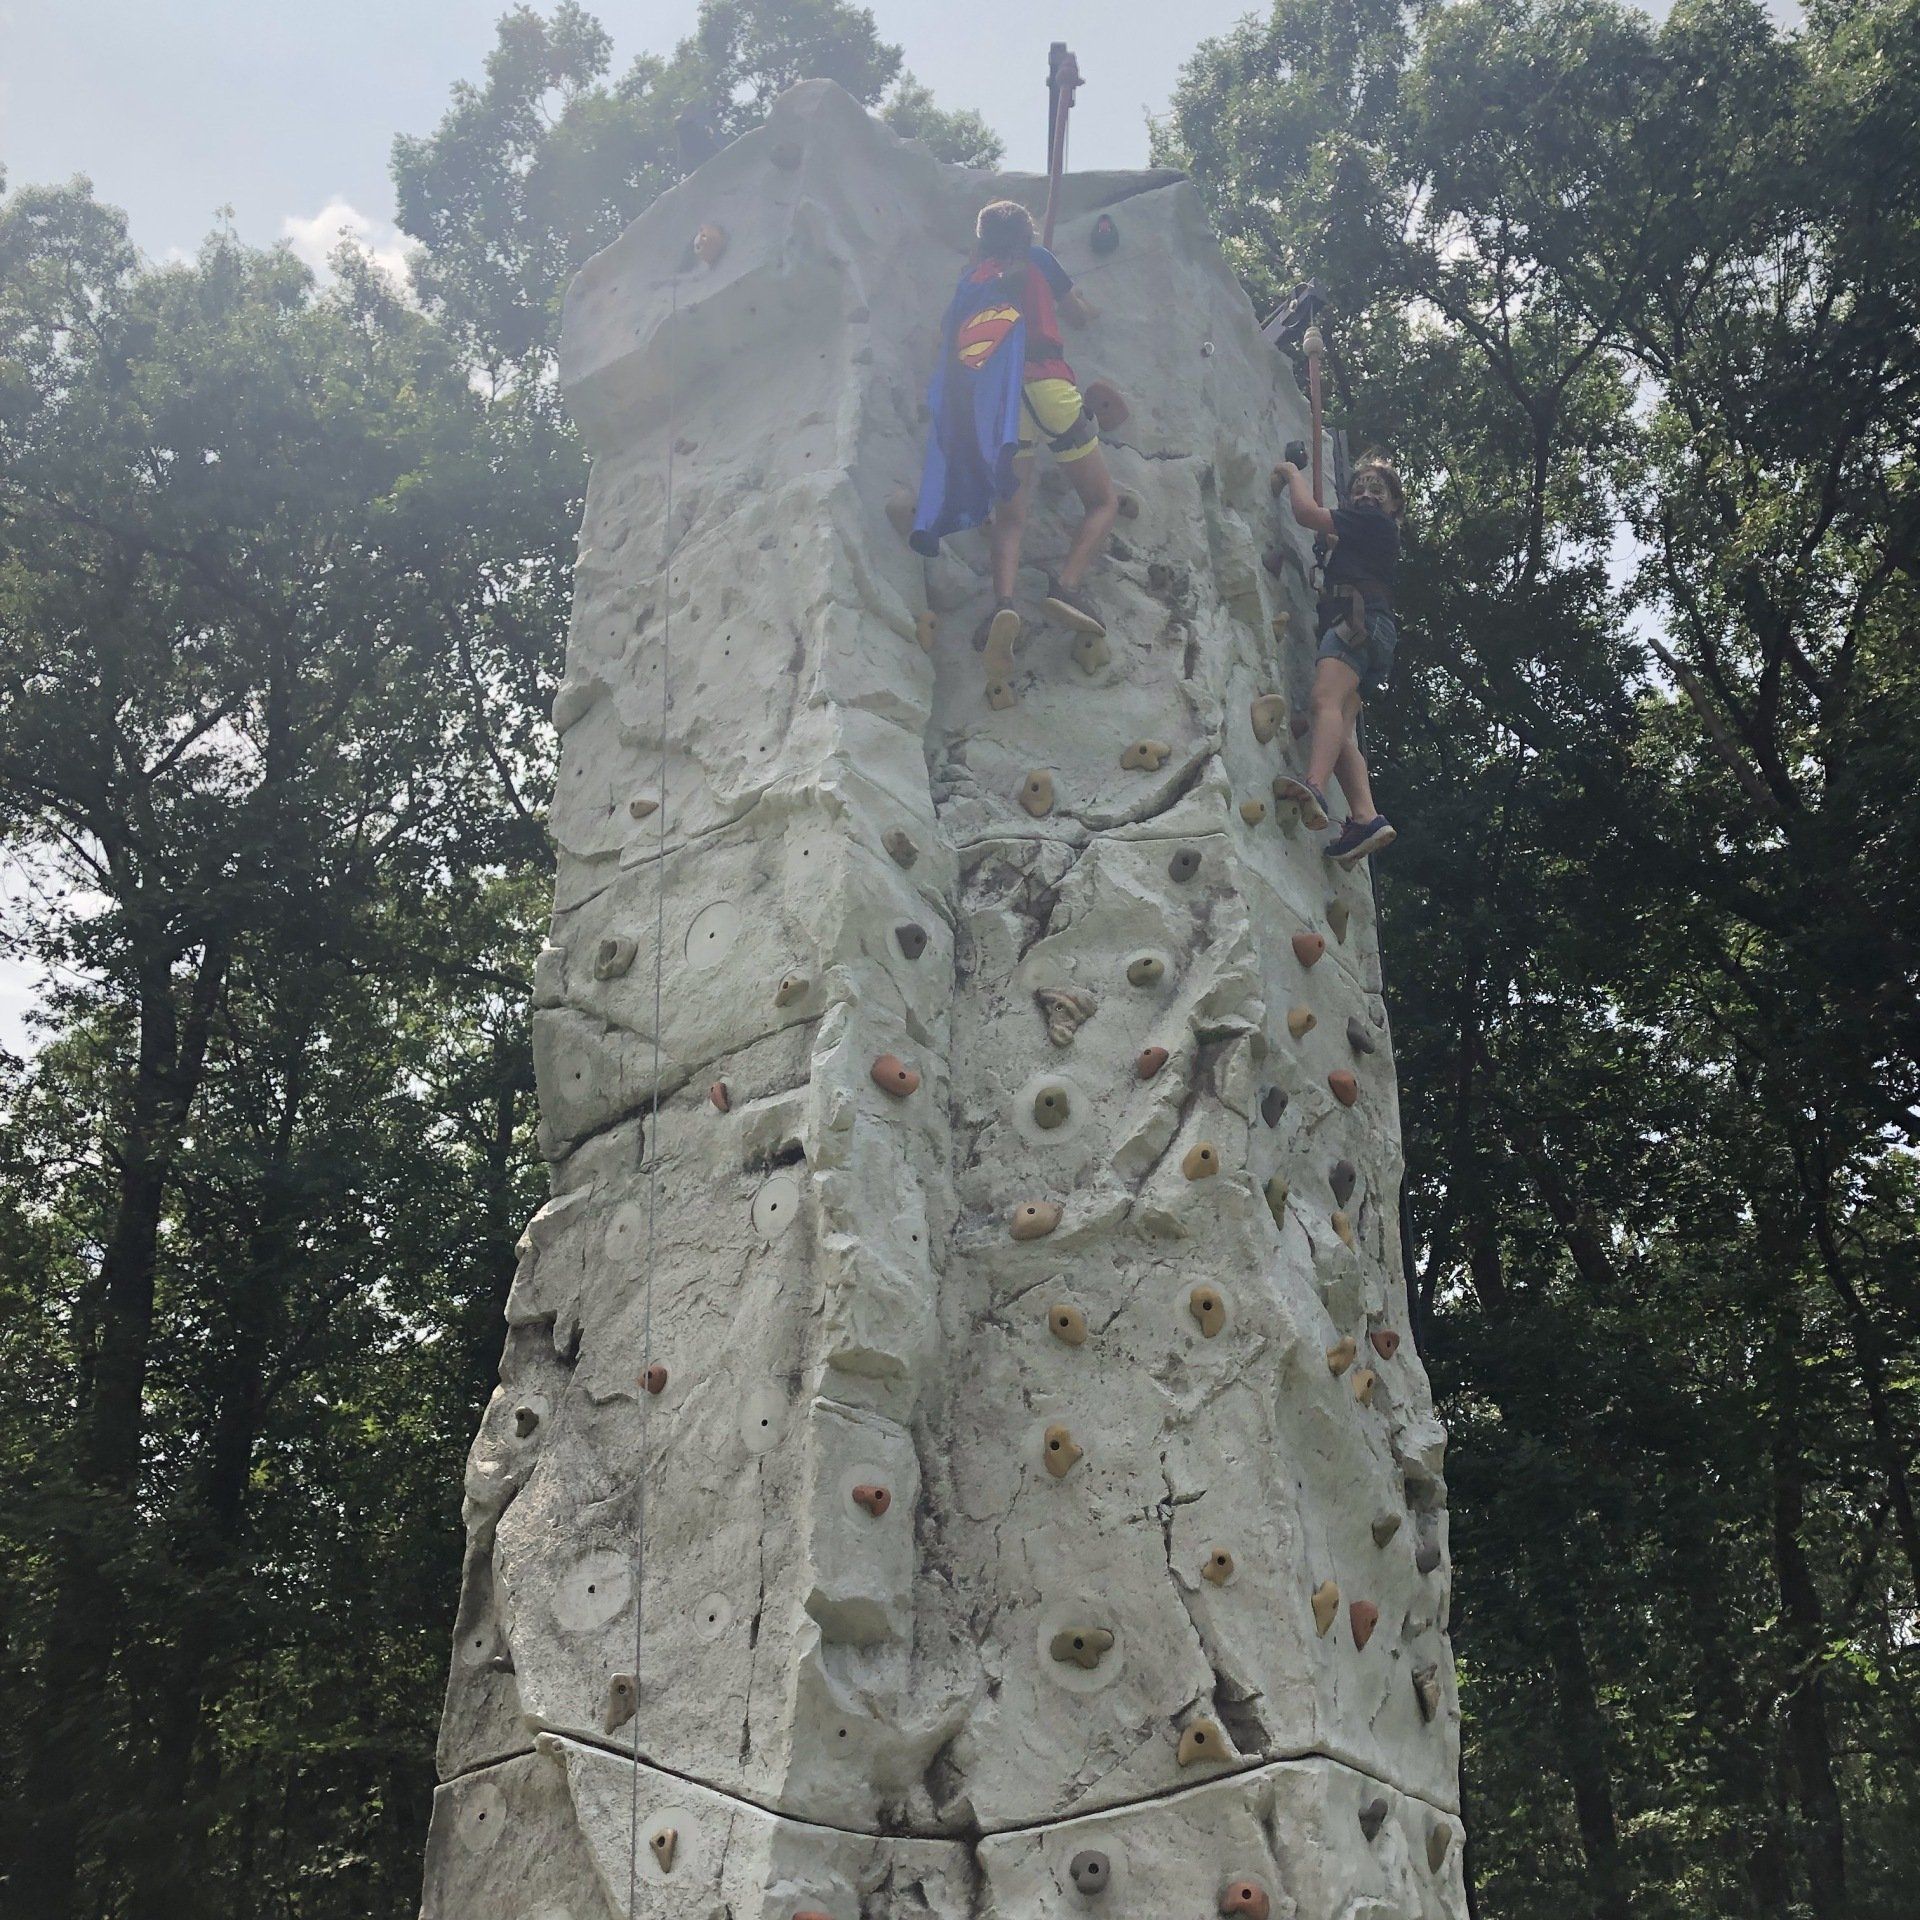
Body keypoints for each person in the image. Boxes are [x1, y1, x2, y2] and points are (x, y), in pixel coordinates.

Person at [909, 199, 1119, 701]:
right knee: (1102, 501)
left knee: (1011, 515)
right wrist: (1092, 305)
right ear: (1025, 233)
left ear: (982, 238)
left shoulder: (973, 279)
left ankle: (1004, 603)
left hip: (1003, 404)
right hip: (1049, 384)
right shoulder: (1040, 260)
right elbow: (1080, 316)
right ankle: (1065, 585)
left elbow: (943, 341)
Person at [1271, 456, 1405, 866]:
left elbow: (1306, 513)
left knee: (1322, 704)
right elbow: (1338, 539)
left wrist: (1292, 473)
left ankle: (1313, 784)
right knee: (1340, 732)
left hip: (1356, 618)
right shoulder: (1370, 532)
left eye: (1376, 490)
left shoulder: (1373, 523)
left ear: (1394, 505)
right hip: (1375, 631)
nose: (1365, 495)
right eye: (1358, 489)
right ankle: (1366, 817)